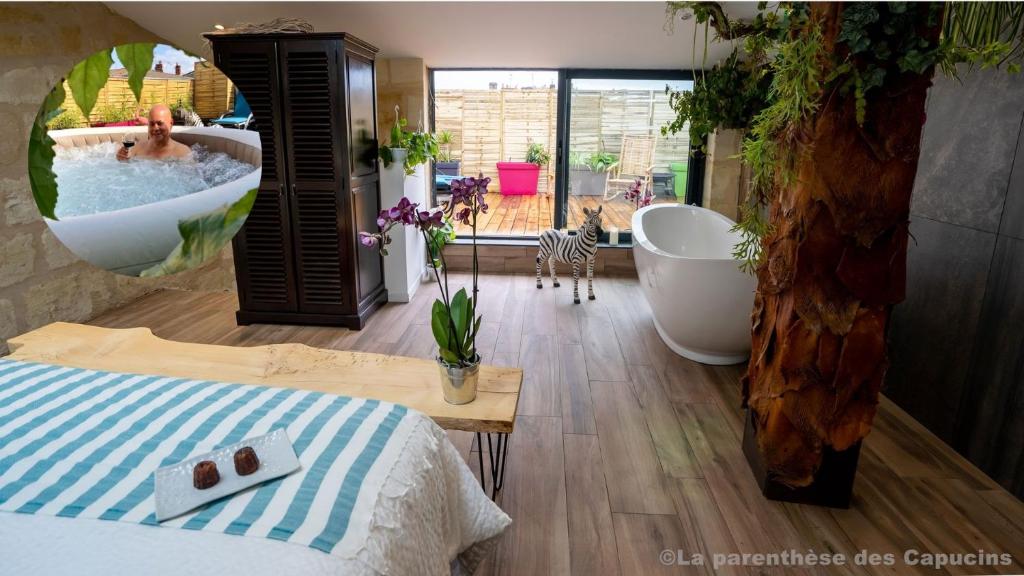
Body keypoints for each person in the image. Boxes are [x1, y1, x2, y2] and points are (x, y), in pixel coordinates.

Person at [116, 104, 191, 161]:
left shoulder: (183, 153)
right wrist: (121, 159)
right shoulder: (137, 149)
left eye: (160, 123)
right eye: (151, 124)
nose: (155, 128)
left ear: (171, 123)